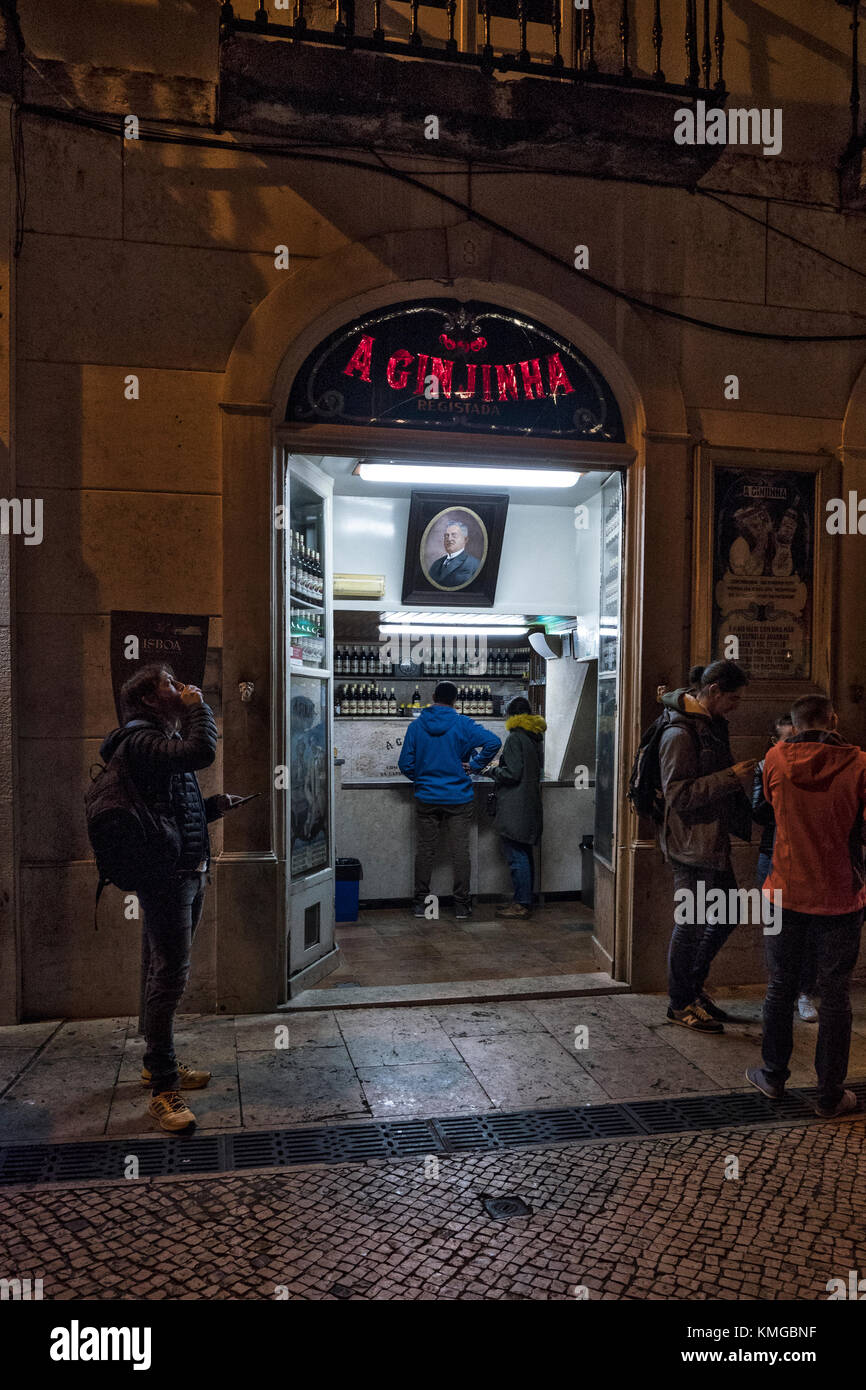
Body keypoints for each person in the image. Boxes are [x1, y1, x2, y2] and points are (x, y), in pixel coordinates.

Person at [101, 664, 240, 1133]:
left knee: (164, 970)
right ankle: (162, 1087)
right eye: (168, 683)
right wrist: (199, 706)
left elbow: (168, 812)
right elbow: (202, 750)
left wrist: (210, 810)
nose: (178, 687)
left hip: (185, 871)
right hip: (167, 878)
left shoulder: (156, 745)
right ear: (147, 699)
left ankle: (156, 1061)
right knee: (170, 977)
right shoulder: (139, 740)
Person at [746, 694, 866, 1119]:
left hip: (785, 890)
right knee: (835, 994)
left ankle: (773, 1076)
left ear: (794, 725)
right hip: (839, 893)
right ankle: (830, 1094)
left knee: (780, 985)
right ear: (833, 719)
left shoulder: (775, 759)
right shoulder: (859, 763)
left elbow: (766, 811)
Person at [658, 661, 756, 1033]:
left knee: (726, 913)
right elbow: (678, 794)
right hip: (692, 844)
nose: (736, 705)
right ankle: (680, 1003)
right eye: (732, 697)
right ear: (713, 691)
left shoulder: (708, 726)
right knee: (692, 923)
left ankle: (693, 990)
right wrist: (731, 777)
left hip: (710, 841)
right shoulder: (680, 733)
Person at [398, 680, 500, 919]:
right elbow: (493, 742)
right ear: (455, 699)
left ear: (433, 696)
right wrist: (474, 766)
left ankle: (420, 904)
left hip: (427, 796)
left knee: (425, 851)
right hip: (458, 797)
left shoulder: (417, 726)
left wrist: (422, 777)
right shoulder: (463, 724)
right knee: (460, 852)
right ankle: (462, 905)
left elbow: (405, 764)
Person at [753, 713, 818, 1022]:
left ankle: (805, 991)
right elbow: (760, 813)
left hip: (808, 857)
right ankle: (780, 989)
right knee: (777, 930)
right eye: (784, 740)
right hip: (774, 852)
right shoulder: (768, 766)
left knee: (810, 933)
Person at [490, 697, 547, 920]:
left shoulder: (515, 738)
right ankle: (525, 900)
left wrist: (492, 771)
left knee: (516, 855)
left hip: (515, 804)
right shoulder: (535, 737)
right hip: (530, 802)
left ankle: (521, 904)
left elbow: (512, 774)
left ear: (511, 715)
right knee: (524, 853)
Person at [427, 520, 481, 588]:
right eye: (446, 535)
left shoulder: (475, 564)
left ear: (465, 540)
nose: (449, 539)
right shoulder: (436, 564)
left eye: (454, 535)